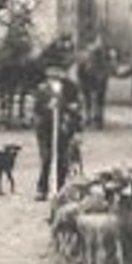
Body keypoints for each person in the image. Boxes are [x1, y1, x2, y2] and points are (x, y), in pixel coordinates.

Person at [34, 63, 83, 200]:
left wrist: (77, 129)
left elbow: (76, 109)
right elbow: (37, 111)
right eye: (52, 75)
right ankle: (42, 189)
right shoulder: (42, 90)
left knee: (63, 160)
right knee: (47, 158)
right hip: (45, 130)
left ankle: (62, 189)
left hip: (63, 129)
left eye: (58, 74)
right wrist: (47, 108)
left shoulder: (70, 89)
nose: (54, 77)